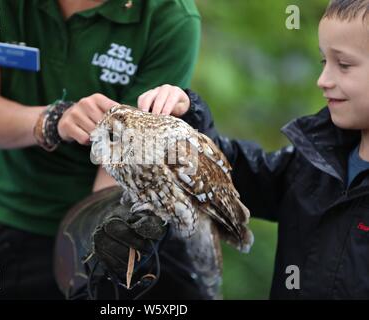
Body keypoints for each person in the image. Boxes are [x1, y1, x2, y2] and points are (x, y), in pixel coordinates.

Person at [0, 0, 201, 299]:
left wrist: (94, 256)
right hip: (13, 218)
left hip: (109, 224)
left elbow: (124, 162)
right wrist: (53, 121)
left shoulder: (169, 16)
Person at [136, 0, 369, 299]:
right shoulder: (314, 160)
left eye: (344, 65)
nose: (323, 81)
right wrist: (186, 119)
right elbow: (226, 177)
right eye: (324, 62)